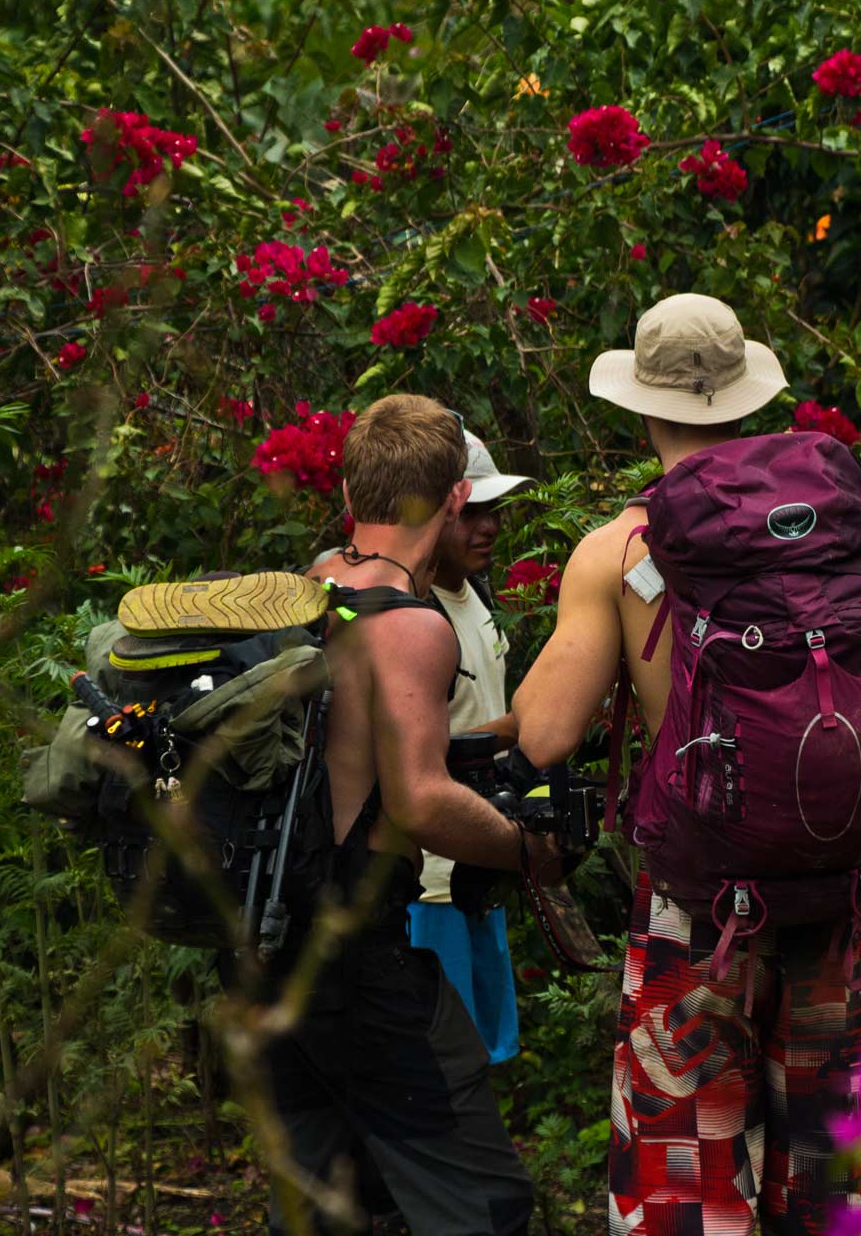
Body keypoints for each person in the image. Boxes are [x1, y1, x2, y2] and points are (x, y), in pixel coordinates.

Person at [510, 293, 861, 1235]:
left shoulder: (621, 548)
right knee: (830, 1180)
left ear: (642, 406)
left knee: (687, 1184)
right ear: (748, 400)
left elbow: (544, 735)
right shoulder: (821, 529)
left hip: (697, 904)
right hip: (832, 888)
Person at [263, 393, 547, 1236]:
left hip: (276, 948)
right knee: (485, 1204)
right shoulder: (414, 624)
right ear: (456, 497)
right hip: (362, 959)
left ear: (354, 495)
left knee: (328, 1200)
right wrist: (526, 852)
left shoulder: (316, 581)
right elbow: (420, 800)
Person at [410, 429, 533, 1066]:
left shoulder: (474, 596)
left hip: (476, 865)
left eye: (496, 510)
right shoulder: (416, 611)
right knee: (443, 1066)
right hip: (431, 883)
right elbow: (420, 750)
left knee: (481, 1058)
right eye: (472, 512)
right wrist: (523, 727)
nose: (489, 527)